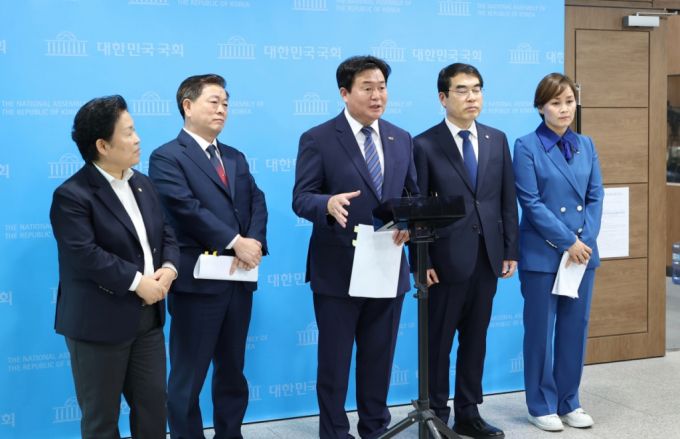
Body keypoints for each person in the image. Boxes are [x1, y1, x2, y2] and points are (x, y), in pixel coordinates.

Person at [292, 55, 419, 439]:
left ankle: (375, 428)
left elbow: (411, 196)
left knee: (379, 359)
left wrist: (408, 224)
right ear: (345, 93)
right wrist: (327, 204)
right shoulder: (318, 138)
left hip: (387, 263)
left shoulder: (401, 138)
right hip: (339, 268)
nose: (377, 95)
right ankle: (333, 432)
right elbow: (301, 198)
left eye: (382, 87)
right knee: (334, 362)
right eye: (367, 88)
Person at [50, 95, 180, 439]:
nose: (138, 139)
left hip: (148, 320)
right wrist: (138, 282)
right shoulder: (72, 195)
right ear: (103, 145)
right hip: (98, 323)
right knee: (102, 420)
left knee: (153, 410)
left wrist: (169, 267)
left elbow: (166, 232)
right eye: (129, 132)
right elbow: (86, 255)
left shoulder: (143, 183)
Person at [149, 74, 268, 439]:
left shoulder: (234, 156)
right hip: (197, 283)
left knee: (233, 372)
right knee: (188, 376)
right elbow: (185, 209)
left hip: (238, 279)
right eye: (213, 102)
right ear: (187, 106)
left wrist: (254, 242)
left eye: (226, 104)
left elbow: (257, 201)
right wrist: (235, 241)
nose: (222, 110)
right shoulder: (167, 157)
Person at [412, 63, 519, 439]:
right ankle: (436, 414)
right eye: (462, 90)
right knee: (438, 344)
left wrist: (510, 249)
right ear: (443, 98)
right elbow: (417, 210)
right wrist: (421, 261)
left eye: (477, 89)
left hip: (487, 257)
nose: (472, 96)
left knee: (476, 341)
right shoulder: (424, 144)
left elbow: (506, 199)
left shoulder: (496, 139)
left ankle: (469, 413)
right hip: (443, 262)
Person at [513, 72, 604, 432]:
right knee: (540, 332)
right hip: (543, 254)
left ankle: (570, 401)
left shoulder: (587, 145)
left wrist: (584, 242)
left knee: (574, 329)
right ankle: (539, 404)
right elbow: (531, 203)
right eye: (555, 102)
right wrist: (568, 241)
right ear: (540, 107)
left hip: (582, 254)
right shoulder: (526, 146)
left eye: (569, 101)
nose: (564, 109)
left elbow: (595, 196)